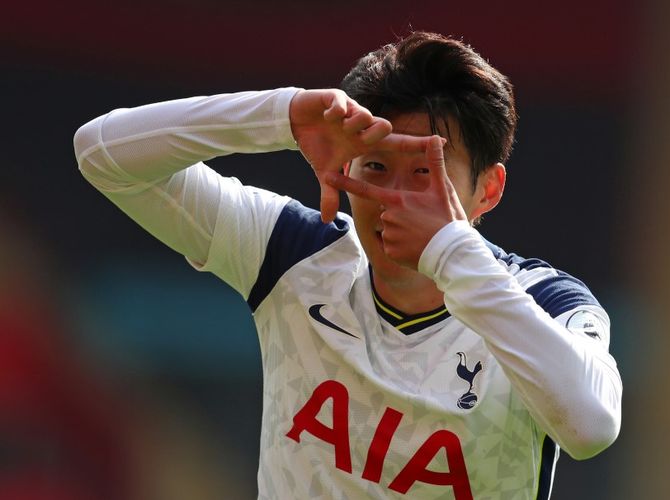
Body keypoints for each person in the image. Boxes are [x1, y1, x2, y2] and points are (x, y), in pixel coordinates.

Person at [74, 31, 621, 500]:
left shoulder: (544, 303)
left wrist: (450, 250)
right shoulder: (291, 252)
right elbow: (103, 154)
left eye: (426, 173)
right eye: (377, 167)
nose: (396, 198)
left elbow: (591, 425)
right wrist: (281, 116)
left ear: (488, 190)